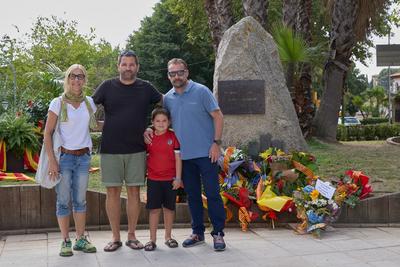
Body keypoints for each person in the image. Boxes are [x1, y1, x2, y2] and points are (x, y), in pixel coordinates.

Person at [145, 58, 226, 251]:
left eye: (180, 72)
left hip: (207, 153)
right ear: (168, 76)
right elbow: (162, 122)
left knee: (213, 194)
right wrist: (148, 129)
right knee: (193, 196)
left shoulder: (201, 91)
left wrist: (216, 144)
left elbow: (218, 116)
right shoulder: (168, 98)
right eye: (172, 73)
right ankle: (197, 232)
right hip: (183, 157)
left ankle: (219, 234)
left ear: (187, 72)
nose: (176, 76)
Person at [92, 50, 162, 252]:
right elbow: (88, 108)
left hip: (137, 150)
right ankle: (115, 237)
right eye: (124, 64)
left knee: (134, 192)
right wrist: (96, 124)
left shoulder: (146, 88)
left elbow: (164, 104)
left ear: (137, 67)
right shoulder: (107, 86)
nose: (128, 68)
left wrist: (152, 126)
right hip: (111, 149)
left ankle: (131, 236)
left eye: (132, 64)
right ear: (118, 66)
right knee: (112, 192)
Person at [44, 64, 97, 257]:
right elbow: (47, 133)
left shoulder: (89, 102)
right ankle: (65, 240)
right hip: (64, 158)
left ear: (84, 79)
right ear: (67, 79)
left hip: (83, 157)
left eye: (80, 76)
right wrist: (52, 161)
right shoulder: (57, 103)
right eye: (73, 76)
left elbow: (95, 126)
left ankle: (80, 239)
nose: (77, 80)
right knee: (64, 201)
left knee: (80, 201)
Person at [144, 108, 182, 251]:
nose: (161, 123)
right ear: (152, 122)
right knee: (154, 210)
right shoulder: (149, 137)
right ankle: (152, 240)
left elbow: (178, 159)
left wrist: (178, 178)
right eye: (158, 121)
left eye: (164, 120)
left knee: (169, 209)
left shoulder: (173, 137)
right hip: (153, 179)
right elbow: (145, 157)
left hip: (170, 180)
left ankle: (168, 237)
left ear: (169, 122)